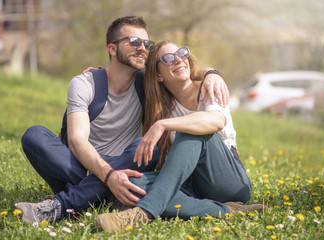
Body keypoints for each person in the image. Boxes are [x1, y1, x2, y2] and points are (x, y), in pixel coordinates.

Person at [15, 16, 229, 225]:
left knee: (147, 149)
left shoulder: (147, 83)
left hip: (126, 165)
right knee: (34, 135)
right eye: (134, 42)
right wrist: (108, 177)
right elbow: (77, 142)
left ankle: (65, 204)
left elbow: (182, 70)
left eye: (146, 43)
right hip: (80, 165)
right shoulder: (85, 84)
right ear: (112, 49)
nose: (142, 48)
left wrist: (212, 73)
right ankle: (101, 193)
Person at [96, 41, 268, 233]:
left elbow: (216, 121)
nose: (179, 59)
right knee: (132, 186)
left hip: (227, 181)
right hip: (191, 183)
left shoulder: (210, 87)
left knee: (192, 129)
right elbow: (122, 78)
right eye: (168, 58)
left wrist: (163, 124)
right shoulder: (161, 106)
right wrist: (99, 77)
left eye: (182, 52)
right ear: (159, 75)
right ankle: (227, 210)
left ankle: (143, 213)